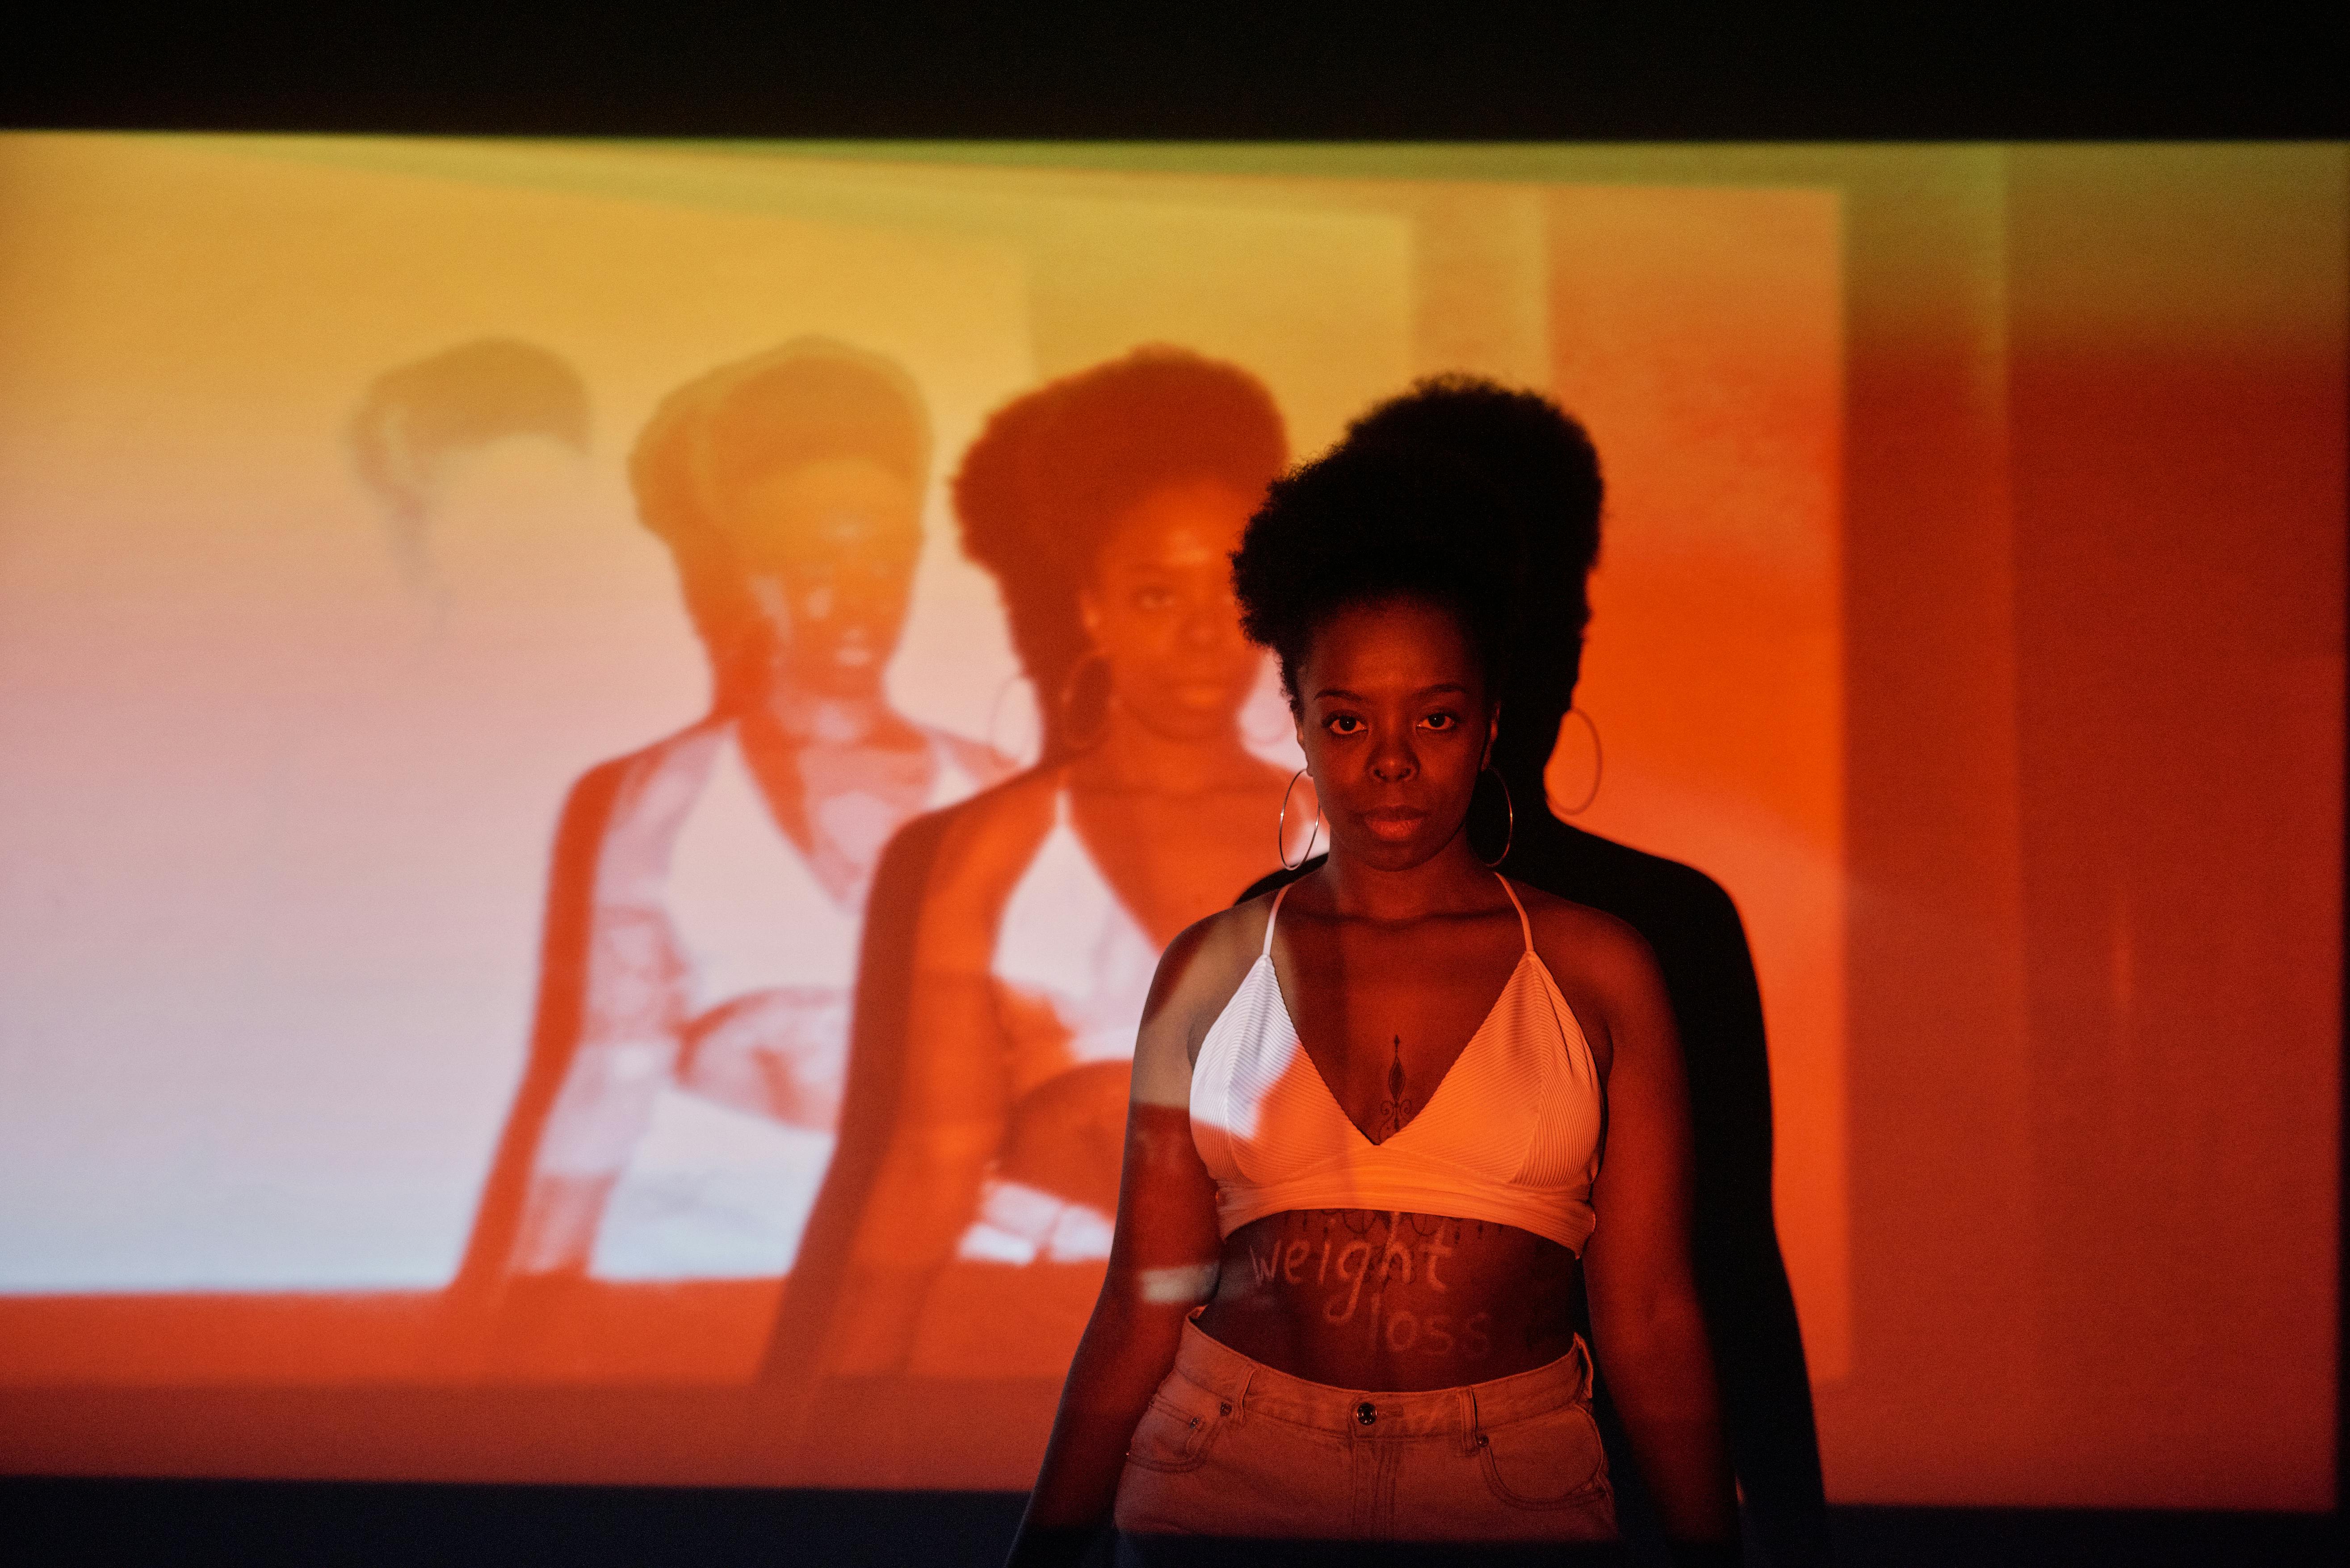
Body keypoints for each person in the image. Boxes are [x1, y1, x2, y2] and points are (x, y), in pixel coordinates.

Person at [1008, 437, 1738, 1564]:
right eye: (1347, 720)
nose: (1390, 762)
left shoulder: (1600, 971)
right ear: (1296, 719)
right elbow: (1142, 1299)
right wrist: (1044, 1547)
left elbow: (1648, 1317)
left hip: (1510, 1494)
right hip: (1226, 1479)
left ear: (1488, 720)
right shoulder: (1209, 972)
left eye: (1433, 718)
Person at [1242, 379, 1831, 1566]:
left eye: (1550, 607)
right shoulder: (1264, 939)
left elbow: (1718, 1272)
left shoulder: (1657, 929)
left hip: (1579, 1499)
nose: (1548, 645)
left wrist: (1783, 1526)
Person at [775, 348, 1299, 1438]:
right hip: (1023, 1335)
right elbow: (931, 1156)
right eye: (1158, 592)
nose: (1204, 632)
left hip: (1280, 1360)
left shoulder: (1336, 837)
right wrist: (831, 1422)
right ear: (1094, 609)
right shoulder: (996, 846)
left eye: (1234, 588)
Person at [453, 339, 1007, 1318]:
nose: (858, 596)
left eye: (884, 558)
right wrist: (527, 1300)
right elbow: (610, 1062)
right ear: (749, 576)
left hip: (941, 1265)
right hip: (701, 1250)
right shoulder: (658, 796)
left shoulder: (992, 791)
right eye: (814, 562)